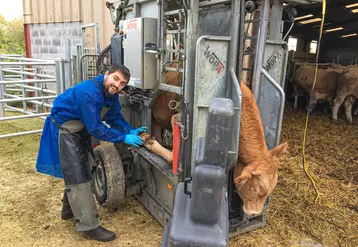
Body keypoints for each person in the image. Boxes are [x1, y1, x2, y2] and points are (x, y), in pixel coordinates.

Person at [36, 64, 148, 242]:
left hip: (81, 130)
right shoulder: (89, 92)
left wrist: (130, 131)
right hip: (66, 129)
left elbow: (114, 117)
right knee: (78, 176)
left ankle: (68, 210)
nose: (117, 85)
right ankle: (89, 226)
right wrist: (123, 138)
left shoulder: (110, 95)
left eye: (122, 83)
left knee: (87, 168)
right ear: (106, 75)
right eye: (115, 79)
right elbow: (96, 128)